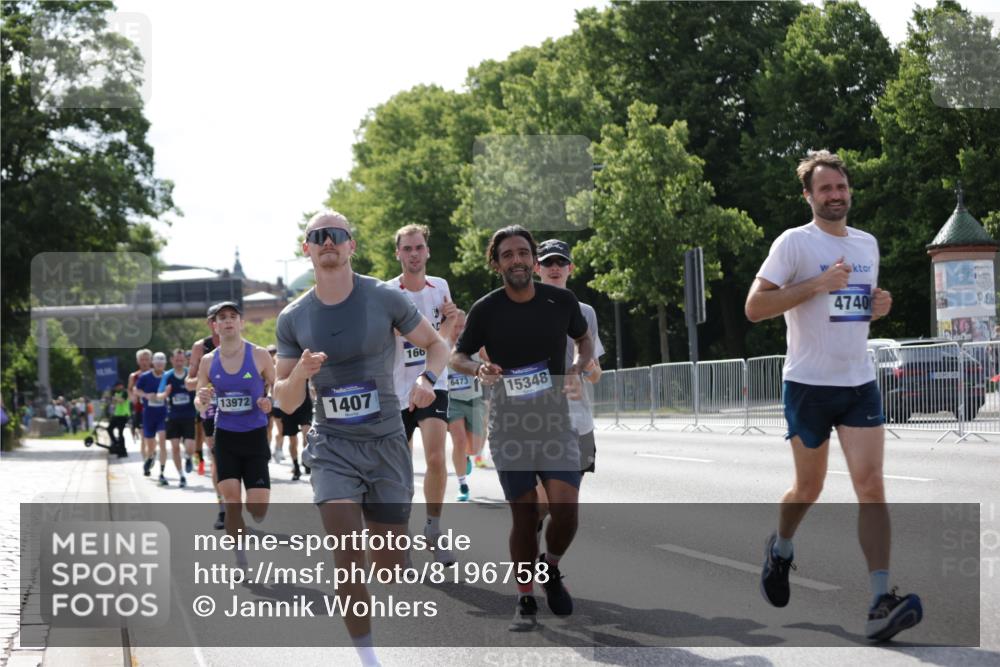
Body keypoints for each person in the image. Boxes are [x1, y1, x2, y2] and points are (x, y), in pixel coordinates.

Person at [745, 150, 921, 641]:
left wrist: (878, 305)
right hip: (808, 384)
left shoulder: (867, 244)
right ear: (808, 195)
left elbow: (852, 310)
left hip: (858, 381)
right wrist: (817, 283)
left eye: (840, 187)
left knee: (871, 485)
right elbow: (755, 307)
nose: (835, 195)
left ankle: (881, 599)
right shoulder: (793, 243)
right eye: (825, 188)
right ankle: (780, 547)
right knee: (809, 488)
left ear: (849, 191)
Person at [273, 210, 447, 667]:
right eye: (318, 236)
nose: (328, 241)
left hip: (387, 441)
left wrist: (427, 378)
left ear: (351, 244)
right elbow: (285, 401)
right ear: (307, 249)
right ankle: (368, 659)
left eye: (337, 234)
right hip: (332, 447)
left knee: (388, 566)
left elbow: (436, 344)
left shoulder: (384, 297)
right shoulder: (293, 317)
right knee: (347, 557)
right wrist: (301, 374)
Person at [451, 224, 593, 631]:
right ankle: (525, 597)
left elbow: (583, 340)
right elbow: (457, 356)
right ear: (496, 264)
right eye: (507, 255)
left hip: (555, 421)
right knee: (525, 514)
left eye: (523, 253)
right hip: (510, 424)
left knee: (565, 510)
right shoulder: (486, 309)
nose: (517, 260)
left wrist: (577, 366)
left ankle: (551, 566)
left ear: (533, 259)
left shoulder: (561, 301)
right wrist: (479, 369)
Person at [387, 224, 463, 563]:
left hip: (434, 383)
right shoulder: (388, 292)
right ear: (398, 254)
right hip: (397, 389)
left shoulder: (440, 287)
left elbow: (442, 342)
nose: (414, 254)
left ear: (427, 251)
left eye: (419, 247)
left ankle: (433, 529)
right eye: (407, 249)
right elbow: (388, 336)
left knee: (435, 458)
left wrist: (448, 323)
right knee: (400, 468)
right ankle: (399, 533)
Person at [193, 301, 276, 564]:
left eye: (232, 316)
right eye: (222, 318)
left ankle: (250, 520)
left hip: (255, 435)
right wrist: (202, 399)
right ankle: (240, 556)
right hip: (226, 435)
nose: (228, 321)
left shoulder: (259, 355)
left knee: (257, 509)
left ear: (241, 323)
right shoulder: (208, 361)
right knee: (231, 501)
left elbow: (276, 386)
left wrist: (269, 401)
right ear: (215, 326)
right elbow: (199, 400)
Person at [533, 239, 605, 533]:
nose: (555, 268)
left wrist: (588, 368)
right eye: (548, 262)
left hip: (579, 419)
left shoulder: (585, 312)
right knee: (543, 501)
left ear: (570, 268)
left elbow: (596, 374)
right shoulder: (523, 310)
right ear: (537, 268)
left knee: (565, 506)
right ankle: (530, 546)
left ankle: (547, 557)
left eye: (560, 262)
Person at [187, 304, 225, 528]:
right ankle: (223, 509)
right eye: (216, 319)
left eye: (228, 317)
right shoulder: (201, 347)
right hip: (211, 408)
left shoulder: (242, 344)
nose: (221, 323)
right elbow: (189, 382)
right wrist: (206, 380)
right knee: (217, 459)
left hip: (238, 409)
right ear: (210, 324)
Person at [157, 348, 197, 488]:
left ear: (185, 360)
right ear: (172, 360)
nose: (179, 362)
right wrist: (165, 394)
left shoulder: (190, 374)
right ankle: (181, 476)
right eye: (176, 360)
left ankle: (188, 457)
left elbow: (200, 387)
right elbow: (159, 395)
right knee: (175, 448)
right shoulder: (167, 376)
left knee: (190, 447)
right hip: (173, 417)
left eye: (181, 360)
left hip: (189, 416)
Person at [134, 353, 171, 485]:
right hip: (148, 415)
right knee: (150, 445)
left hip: (163, 414)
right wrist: (145, 395)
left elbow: (174, 390)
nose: (159, 364)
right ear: (153, 363)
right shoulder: (145, 376)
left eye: (162, 362)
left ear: (165, 363)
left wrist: (165, 395)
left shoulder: (168, 376)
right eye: (157, 362)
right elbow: (136, 390)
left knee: (162, 441)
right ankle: (150, 457)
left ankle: (162, 473)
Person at [128, 349, 152, 467]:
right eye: (142, 359)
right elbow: (130, 390)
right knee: (144, 437)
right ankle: (146, 462)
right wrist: (133, 397)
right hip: (140, 410)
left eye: (146, 359)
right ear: (138, 361)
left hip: (155, 410)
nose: (144, 362)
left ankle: (151, 455)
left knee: (152, 438)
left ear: (151, 360)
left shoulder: (157, 374)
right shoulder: (134, 376)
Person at [108, 381, 131, 457]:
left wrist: (115, 398)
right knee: (109, 429)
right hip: (117, 415)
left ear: (121, 386)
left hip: (123, 415)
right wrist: (113, 399)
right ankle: (116, 443)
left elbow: (122, 401)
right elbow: (114, 403)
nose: (116, 388)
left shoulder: (125, 392)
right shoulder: (116, 394)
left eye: (117, 386)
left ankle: (122, 451)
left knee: (120, 433)